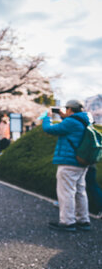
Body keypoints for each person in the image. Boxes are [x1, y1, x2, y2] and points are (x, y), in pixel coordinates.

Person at [42, 99, 92, 232]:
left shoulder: (71, 122)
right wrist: (64, 117)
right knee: (80, 192)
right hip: (81, 163)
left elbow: (49, 129)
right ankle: (83, 220)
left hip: (68, 163)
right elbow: (71, 128)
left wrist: (47, 117)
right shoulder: (84, 120)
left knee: (66, 192)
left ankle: (67, 222)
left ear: (70, 109)